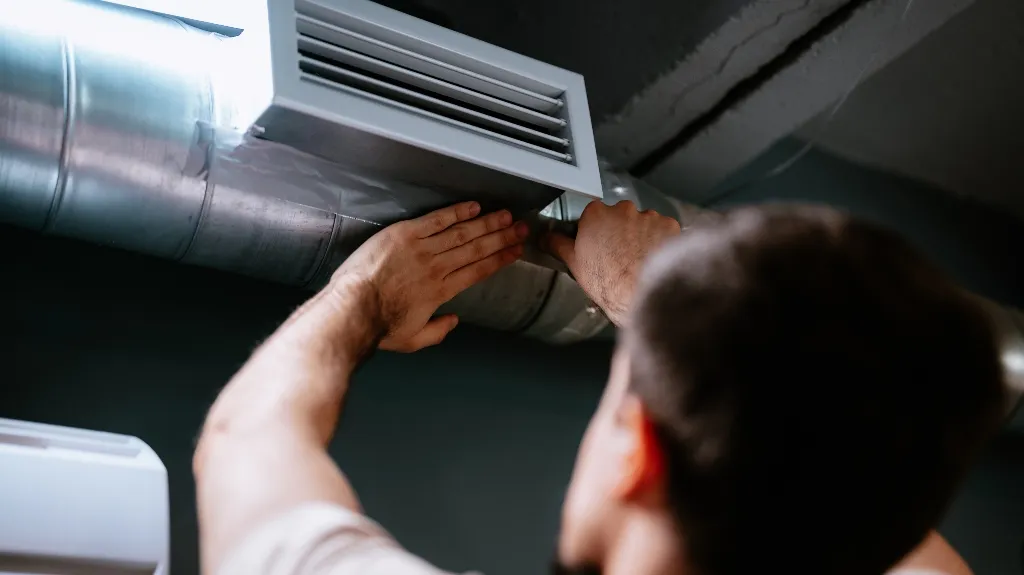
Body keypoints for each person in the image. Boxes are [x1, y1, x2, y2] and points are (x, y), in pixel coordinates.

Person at [193, 200, 1005, 575]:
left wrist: (368, 291)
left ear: (638, 450)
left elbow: (248, 442)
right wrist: (672, 326)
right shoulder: (871, 518)